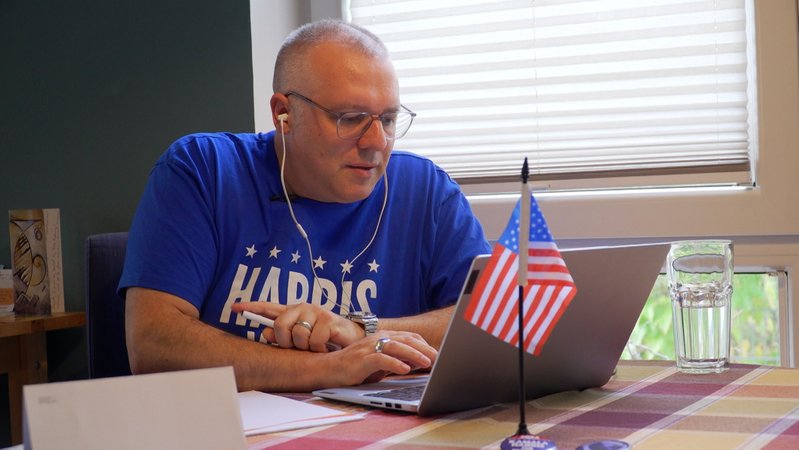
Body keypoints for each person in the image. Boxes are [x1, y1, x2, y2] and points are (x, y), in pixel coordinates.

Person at [119, 19, 491, 392]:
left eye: (389, 119)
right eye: (351, 118)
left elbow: (493, 321)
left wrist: (360, 330)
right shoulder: (205, 170)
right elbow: (153, 343)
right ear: (284, 113)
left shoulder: (426, 191)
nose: (377, 142)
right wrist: (327, 368)